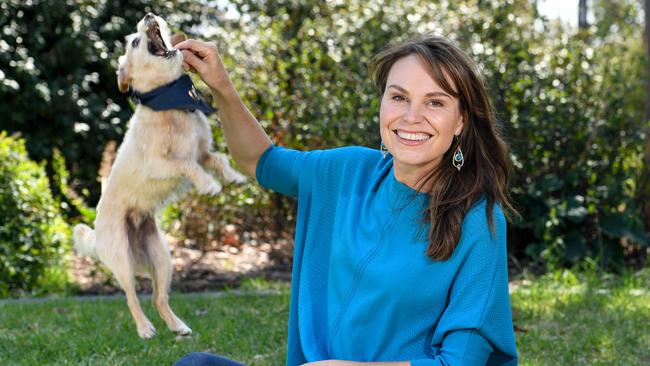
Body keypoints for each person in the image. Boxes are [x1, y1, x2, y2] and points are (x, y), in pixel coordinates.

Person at [173, 34, 518, 366]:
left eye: (435, 102)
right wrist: (221, 85)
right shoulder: (347, 171)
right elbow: (258, 160)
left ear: (460, 120)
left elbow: (460, 361)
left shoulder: (478, 220)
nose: (411, 116)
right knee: (196, 364)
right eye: (398, 97)